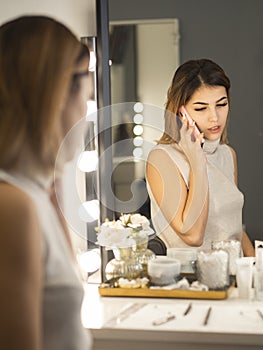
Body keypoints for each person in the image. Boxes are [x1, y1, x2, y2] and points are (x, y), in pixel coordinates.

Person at [0, 16, 92, 349]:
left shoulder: (39, 193)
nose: (86, 113)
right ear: (55, 96)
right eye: (86, 97)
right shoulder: (13, 206)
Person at [146, 58, 255, 257]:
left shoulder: (227, 155)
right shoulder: (162, 159)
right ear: (181, 112)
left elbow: (233, 227)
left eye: (221, 104)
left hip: (234, 277)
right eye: (201, 108)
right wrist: (196, 160)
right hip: (191, 281)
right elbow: (193, 235)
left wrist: (255, 266)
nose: (214, 117)